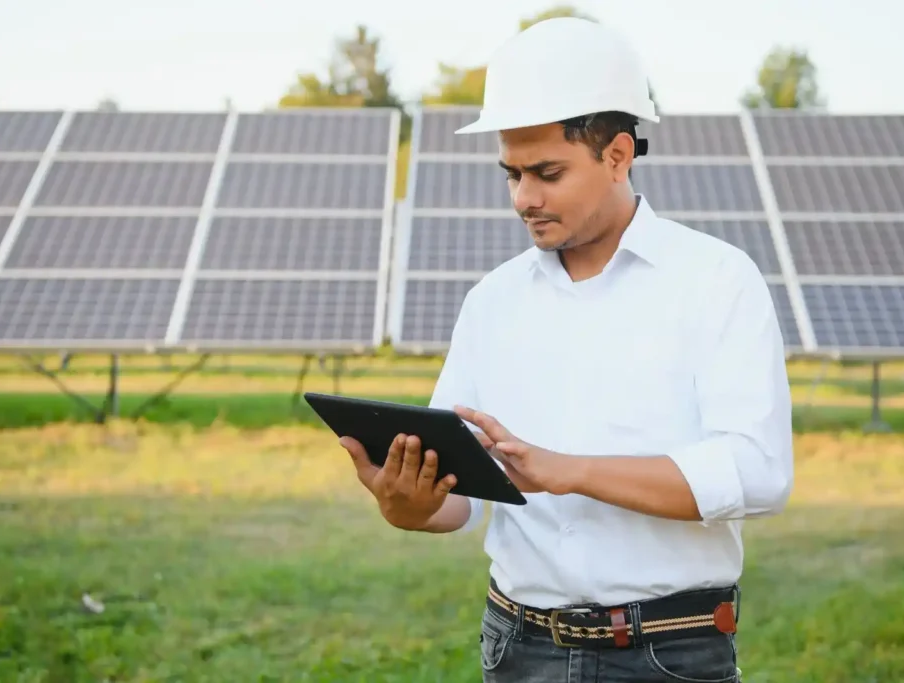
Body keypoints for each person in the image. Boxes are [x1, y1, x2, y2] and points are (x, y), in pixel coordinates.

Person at [339, 16, 794, 683]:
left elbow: (758, 472)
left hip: (668, 652)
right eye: (512, 174)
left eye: (547, 172)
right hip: (517, 647)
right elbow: (461, 498)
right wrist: (408, 503)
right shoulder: (492, 302)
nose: (524, 197)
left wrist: (569, 470)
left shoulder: (717, 282)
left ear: (617, 155)